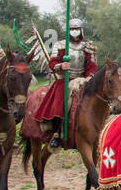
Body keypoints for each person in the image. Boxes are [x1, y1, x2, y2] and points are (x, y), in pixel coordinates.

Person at [40, 18, 98, 148]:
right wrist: (61, 66)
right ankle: (55, 133)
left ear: (81, 30)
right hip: (65, 80)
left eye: (77, 29)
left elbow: (92, 65)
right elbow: (52, 63)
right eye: (72, 29)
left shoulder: (87, 47)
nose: (75, 32)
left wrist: (90, 76)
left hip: (83, 80)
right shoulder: (60, 45)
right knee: (60, 103)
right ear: (68, 31)